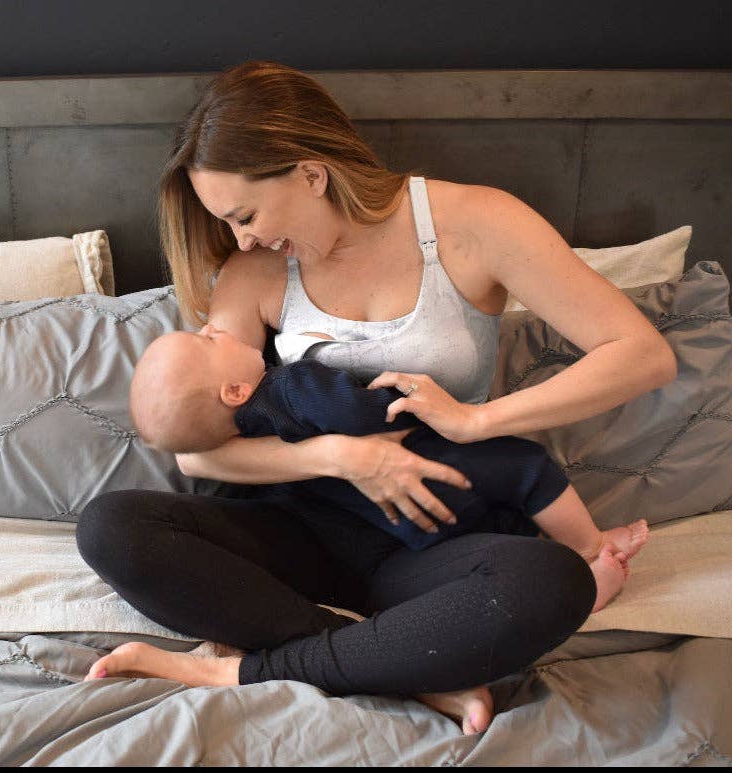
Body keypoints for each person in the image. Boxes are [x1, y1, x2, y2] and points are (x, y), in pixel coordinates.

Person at [75, 60, 677, 736]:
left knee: (552, 582)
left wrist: (476, 420)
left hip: (426, 541)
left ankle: (252, 667)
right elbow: (198, 454)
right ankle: (393, 664)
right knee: (110, 528)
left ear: (310, 173)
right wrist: (342, 457)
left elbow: (641, 354)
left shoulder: (474, 222)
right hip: (300, 529)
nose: (240, 238)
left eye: (245, 215)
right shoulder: (255, 269)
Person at [127, 321, 648, 586]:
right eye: (205, 342)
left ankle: (563, 569)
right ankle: (589, 548)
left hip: (401, 520)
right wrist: (395, 402)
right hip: (429, 462)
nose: (211, 327)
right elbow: (354, 415)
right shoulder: (289, 387)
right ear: (235, 391)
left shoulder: (252, 436)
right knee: (528, 469)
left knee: (498, 529)